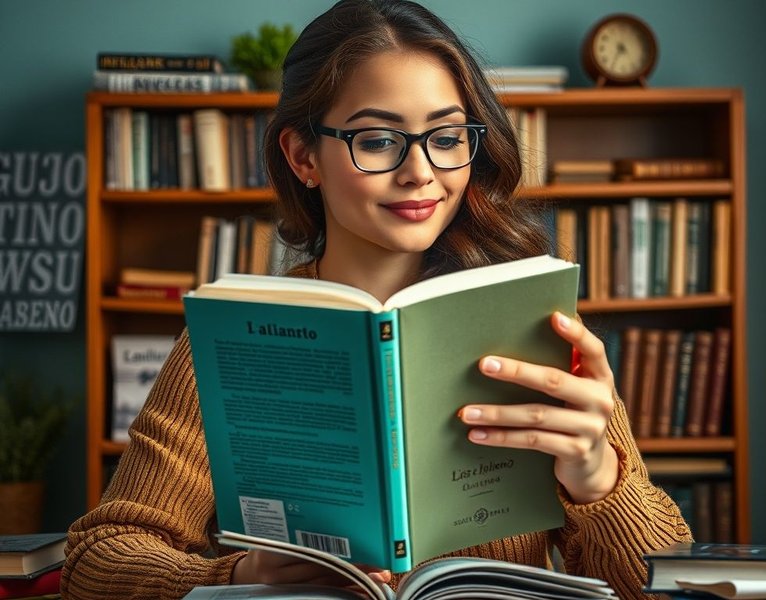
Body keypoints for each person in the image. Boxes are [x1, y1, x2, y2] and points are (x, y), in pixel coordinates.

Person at [61, 1, 691, 598]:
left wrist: (597, 477)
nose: (420, 171)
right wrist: (241, 574)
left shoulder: (535, 323)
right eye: (378, 140)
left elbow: (663, 583)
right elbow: (97, 563)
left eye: (445, 138)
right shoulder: (230, 338)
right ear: (304, 156)